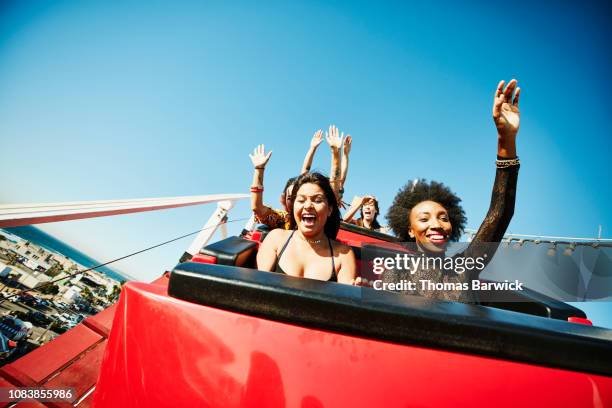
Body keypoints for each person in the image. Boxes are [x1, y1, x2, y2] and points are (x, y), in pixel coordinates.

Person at [382, 79, 521, 302]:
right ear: (410, 230)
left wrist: (506, 139)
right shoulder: (395, 272)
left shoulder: (464, 266)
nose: (436, 225)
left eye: (443, 218)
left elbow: (500, 211)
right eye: (424, 218)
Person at [257, 172, 357, 284]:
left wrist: (356, 294)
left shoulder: (344, 253)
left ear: (329, 209)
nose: (308, 206)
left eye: (318, 200)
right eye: (301, 200)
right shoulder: (276, 239)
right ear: (293, 206)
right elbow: (258, 288)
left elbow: (346, 296)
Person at [249, 126, 351, 229]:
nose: (306, 204)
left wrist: (336, 153)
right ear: (283, 200)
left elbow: (334, 186)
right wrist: (259, 169)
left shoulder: (322, 216)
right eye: (293, 198)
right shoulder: (283, 219)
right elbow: (257, 208)